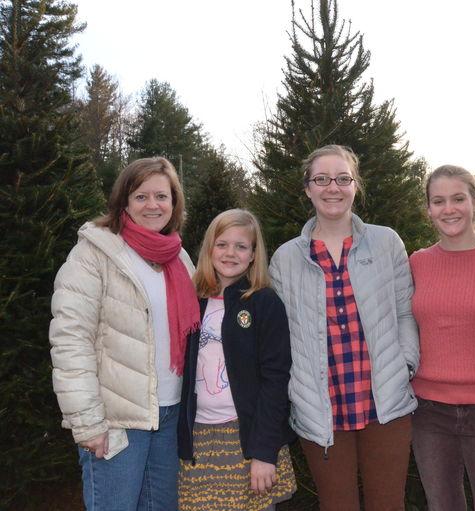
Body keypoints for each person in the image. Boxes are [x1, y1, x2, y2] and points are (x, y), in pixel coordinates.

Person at [269, 144, 419, 511]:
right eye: (321, 179)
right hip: (320, 409)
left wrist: (406, 365)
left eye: (342, 179)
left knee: (388, 504)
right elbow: (280, 336)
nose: (332, 187)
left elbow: (405, 313)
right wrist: (294, 389)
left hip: (385, 403)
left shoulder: (386, 242)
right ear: (307, 188)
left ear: (355, 185)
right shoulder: (286, 258)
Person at [50, 157, 199, 510]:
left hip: (170, 415)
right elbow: (70, 340)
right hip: (117, 421)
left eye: (162, 197)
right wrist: (88, 423)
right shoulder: (94, 254)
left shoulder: (180, 259)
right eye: (141, 196)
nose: (153, 205)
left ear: (174, 203)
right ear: (123, 202)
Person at [409, 165, 475, 511]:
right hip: (428, 411)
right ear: (428, 209)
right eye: (438, 201)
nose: (448, 209)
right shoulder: (417, 263)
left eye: (458, 199)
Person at [178, 209, 296, 510]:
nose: (231, 253)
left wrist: (264, 452)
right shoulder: (191, 298)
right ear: (209, 249)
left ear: (254, 254)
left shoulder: (264, 303)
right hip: (198, 438)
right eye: (222, 244)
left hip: (246, 438)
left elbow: (276, 381)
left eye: (241, 246)